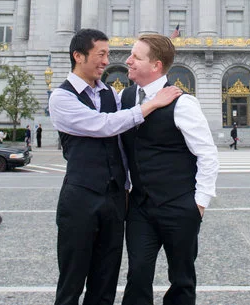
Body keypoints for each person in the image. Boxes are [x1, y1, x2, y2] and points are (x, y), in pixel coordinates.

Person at [48, 28, 182, 305]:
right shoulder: (61, 98)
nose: (106, 61)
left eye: (107, 54)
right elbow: (104, 126)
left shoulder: (112, 94)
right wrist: (152, 103)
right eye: (101, 54)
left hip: (114, 198)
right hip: (80, 197)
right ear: (78, 56)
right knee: (72, 282)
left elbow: (126, 139)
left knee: (105, 280)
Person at [119, 33, 218, 305]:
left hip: (179, 206)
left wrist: (199, 203)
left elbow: (207, 154)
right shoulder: (125, 97)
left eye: (135, 57)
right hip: (140, 207)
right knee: (137, 275)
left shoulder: (184, 103)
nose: (127, 60)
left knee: (182, 279)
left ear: (156, 66)